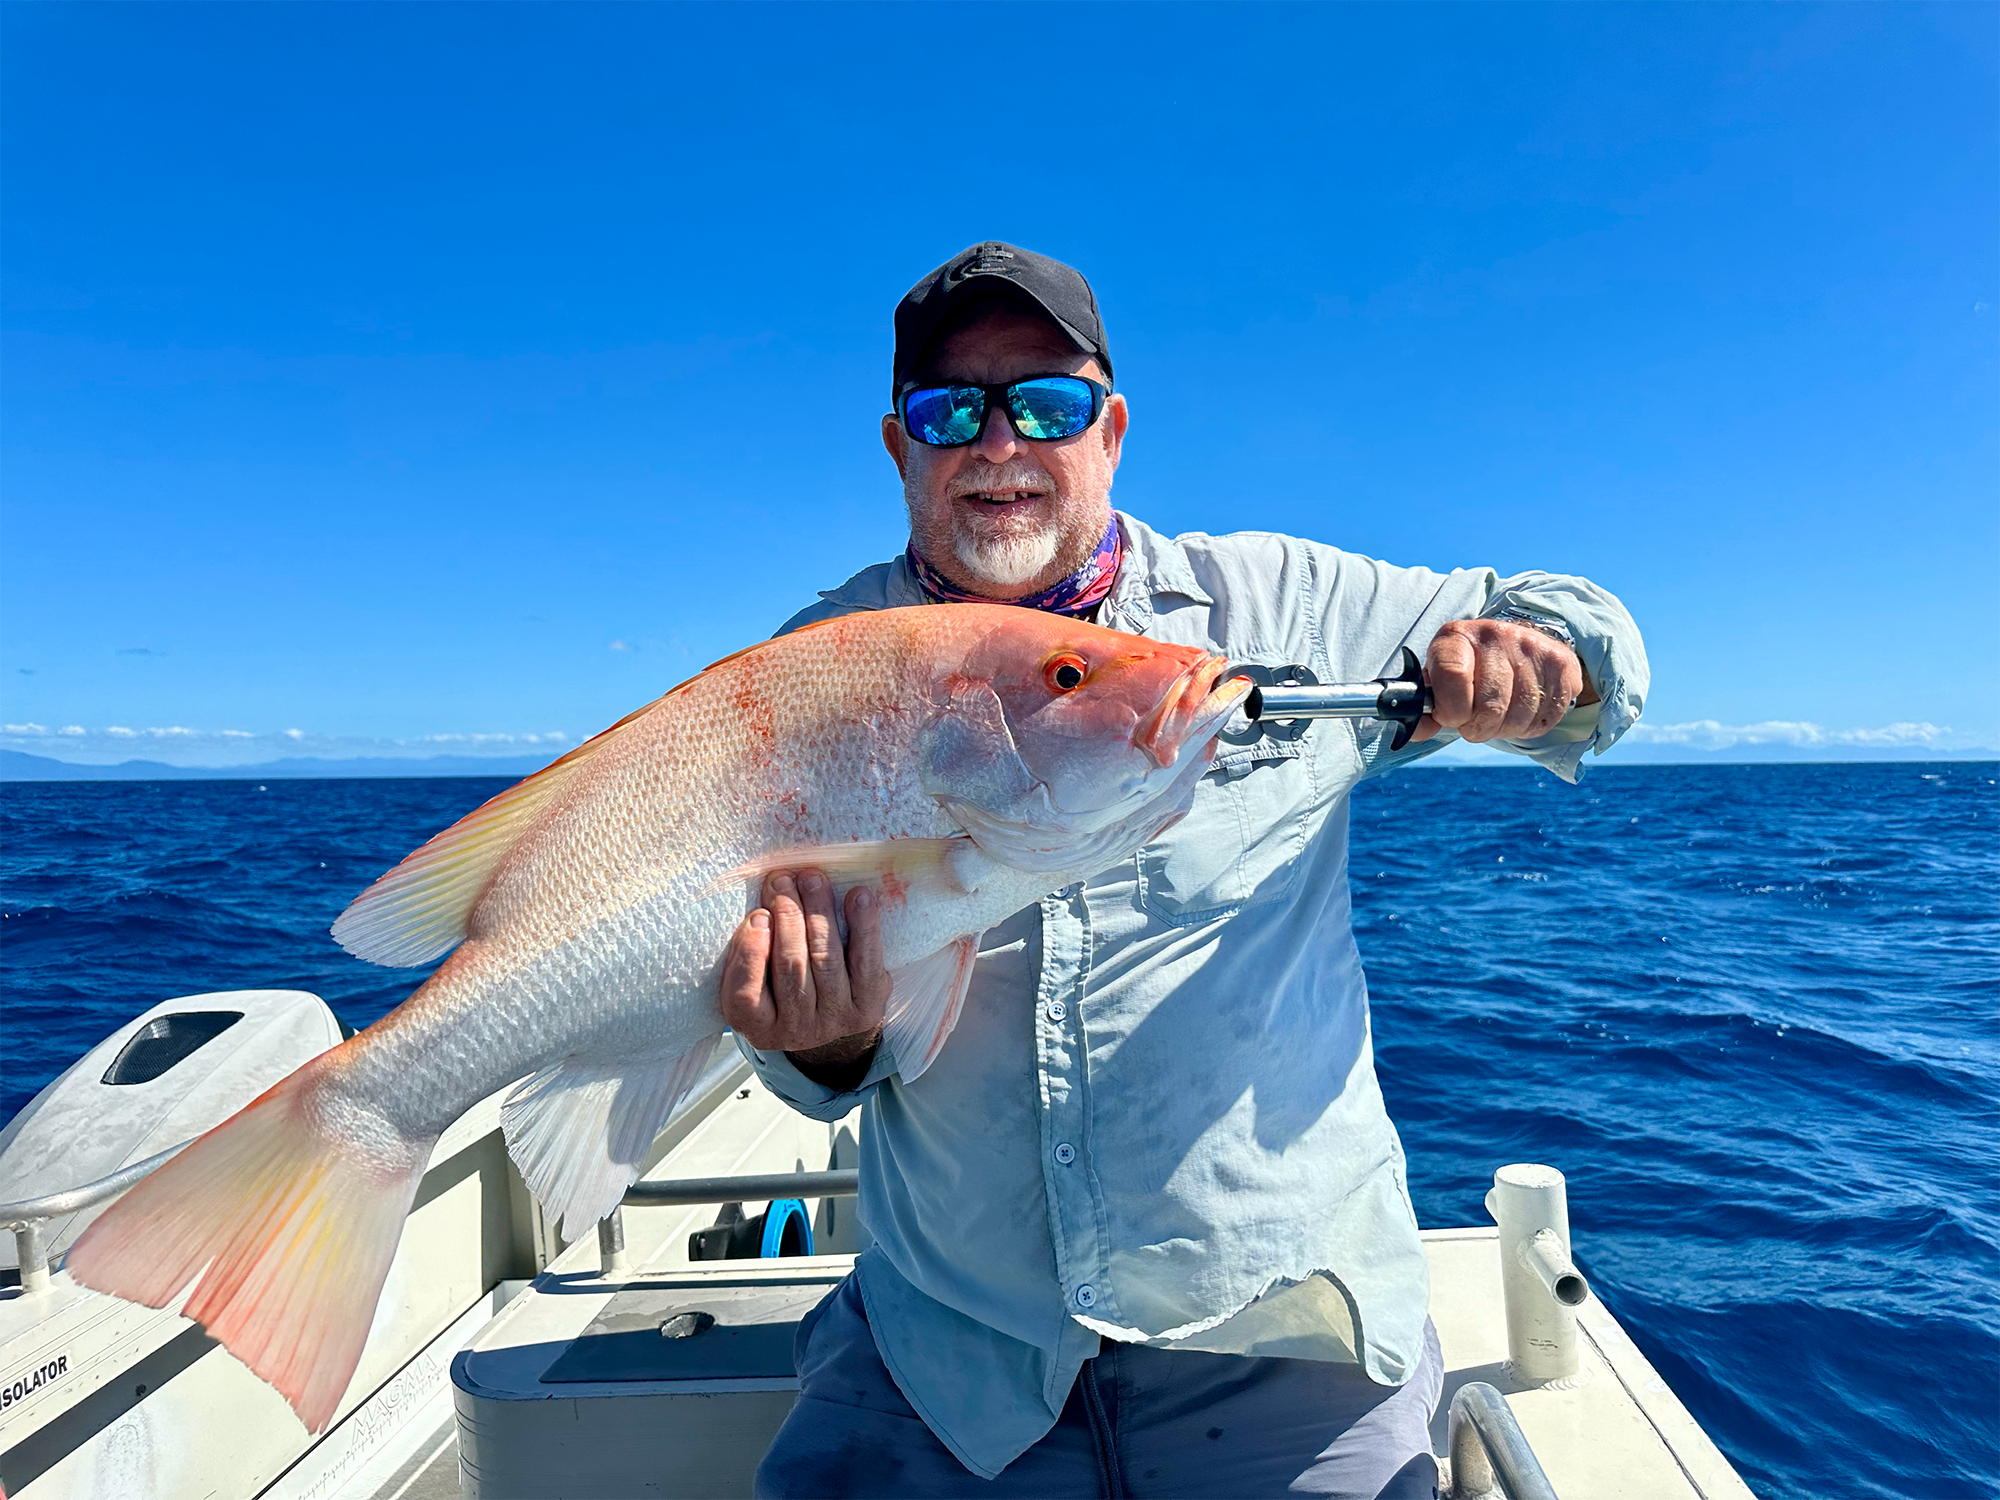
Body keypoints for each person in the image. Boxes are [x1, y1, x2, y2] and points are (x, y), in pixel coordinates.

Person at [717, 242, 1647, 1499]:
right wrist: (819, 1045)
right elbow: (790, 1029)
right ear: (900, 449)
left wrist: (1545, 654)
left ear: (1107, 430)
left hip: (1285, 1336)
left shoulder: (1282, 606)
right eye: (951, 412)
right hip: (953, 1348)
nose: (999, 445)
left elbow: (1575, 623)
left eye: (1043, 403)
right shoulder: (817, 666)